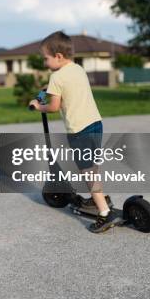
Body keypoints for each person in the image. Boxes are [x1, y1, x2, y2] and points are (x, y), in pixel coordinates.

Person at [29, 31, 120, 233]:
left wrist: (37, 106)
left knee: (87, 172)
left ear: (58, 56)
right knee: (92, 167)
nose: (45, 63)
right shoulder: (78, 69)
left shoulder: (56, 77)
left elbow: (53, 107)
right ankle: (100, 198)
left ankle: (104, 213)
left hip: (79, 130)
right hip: (96, 124)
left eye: (46, 58)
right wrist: (50, 89)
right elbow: (69, 87)